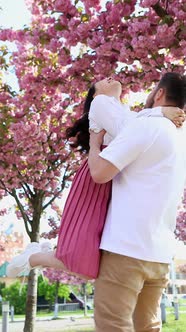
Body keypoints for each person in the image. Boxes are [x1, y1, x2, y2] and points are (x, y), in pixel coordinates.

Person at [6, 76, 185, 280]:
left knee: (97, 260)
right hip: (97, 175)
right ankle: (35, 258)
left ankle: (42, 253)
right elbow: (129, 129)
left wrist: (159, 113)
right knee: (86, 266)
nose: (109, 78)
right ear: (95, 94)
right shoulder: (101, 103)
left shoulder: (128, 112)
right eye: (100, 82)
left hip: (114, 177)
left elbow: (138, 124)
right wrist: (161, 112)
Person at [88, 72, 186, 332]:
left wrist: (93, 144)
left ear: (160, 93)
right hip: (160, 255)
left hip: (126, 250)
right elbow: (130, 120)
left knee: (113, 326)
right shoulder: (180, 134)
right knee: (148, 327)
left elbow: (99, 173)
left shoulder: (146, 127)